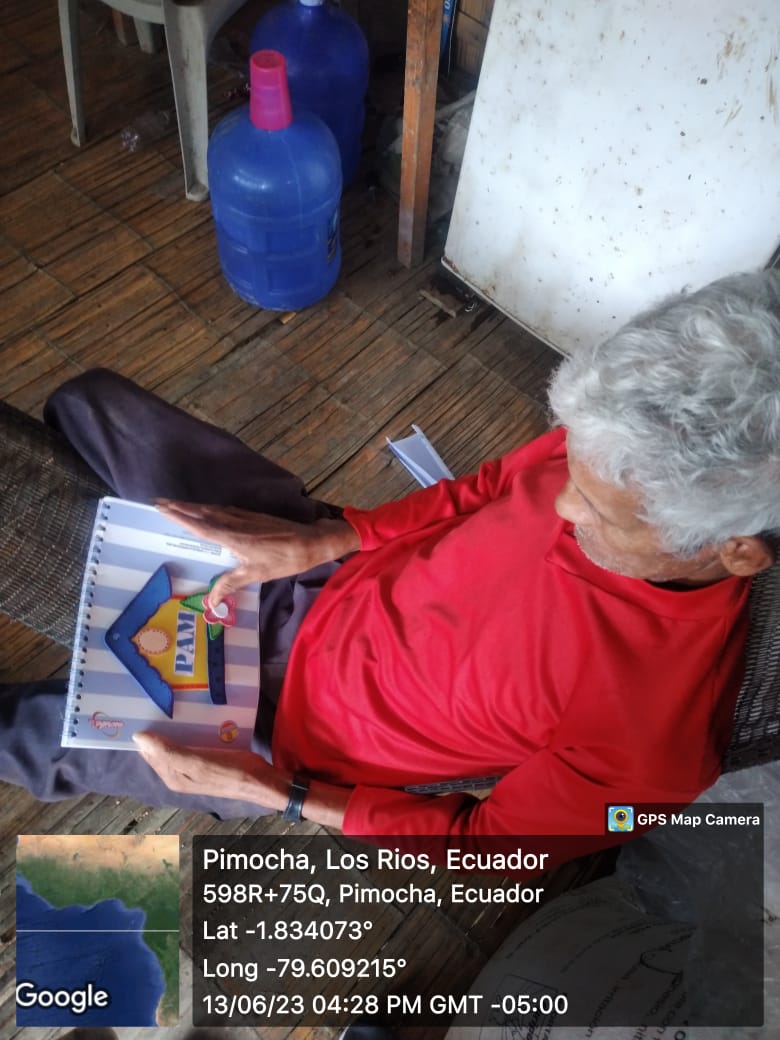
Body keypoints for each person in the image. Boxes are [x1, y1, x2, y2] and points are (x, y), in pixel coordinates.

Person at [1, 269, 779, 849]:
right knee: (94, 406)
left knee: (37, 738)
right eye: (570, 467)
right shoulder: (617, 446)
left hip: (283, 736)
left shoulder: (658, 747)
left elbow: (488, 852)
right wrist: (336, 538)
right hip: (322, 572)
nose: (563, 506)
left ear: (738, 551)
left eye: (598, 512)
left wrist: (279, 794)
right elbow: (487, 486)